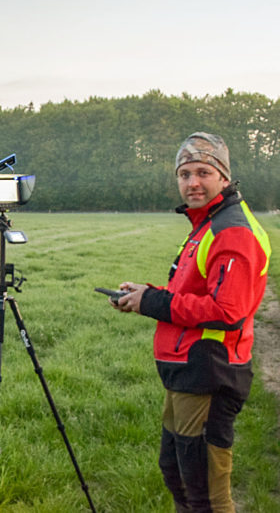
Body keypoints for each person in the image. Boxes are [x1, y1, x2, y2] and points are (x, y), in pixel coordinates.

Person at [111, 132, 271, 512]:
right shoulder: (207, 224)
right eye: (184, 174)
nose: (192, 182)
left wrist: (150, 301)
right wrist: (144, 294)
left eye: (203, 172)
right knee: (177, 473)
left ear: (224, 177)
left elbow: (227, 311)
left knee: (207, 495)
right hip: (187, 371)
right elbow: (192, 290)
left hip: (210, 372)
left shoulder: (231, 231)